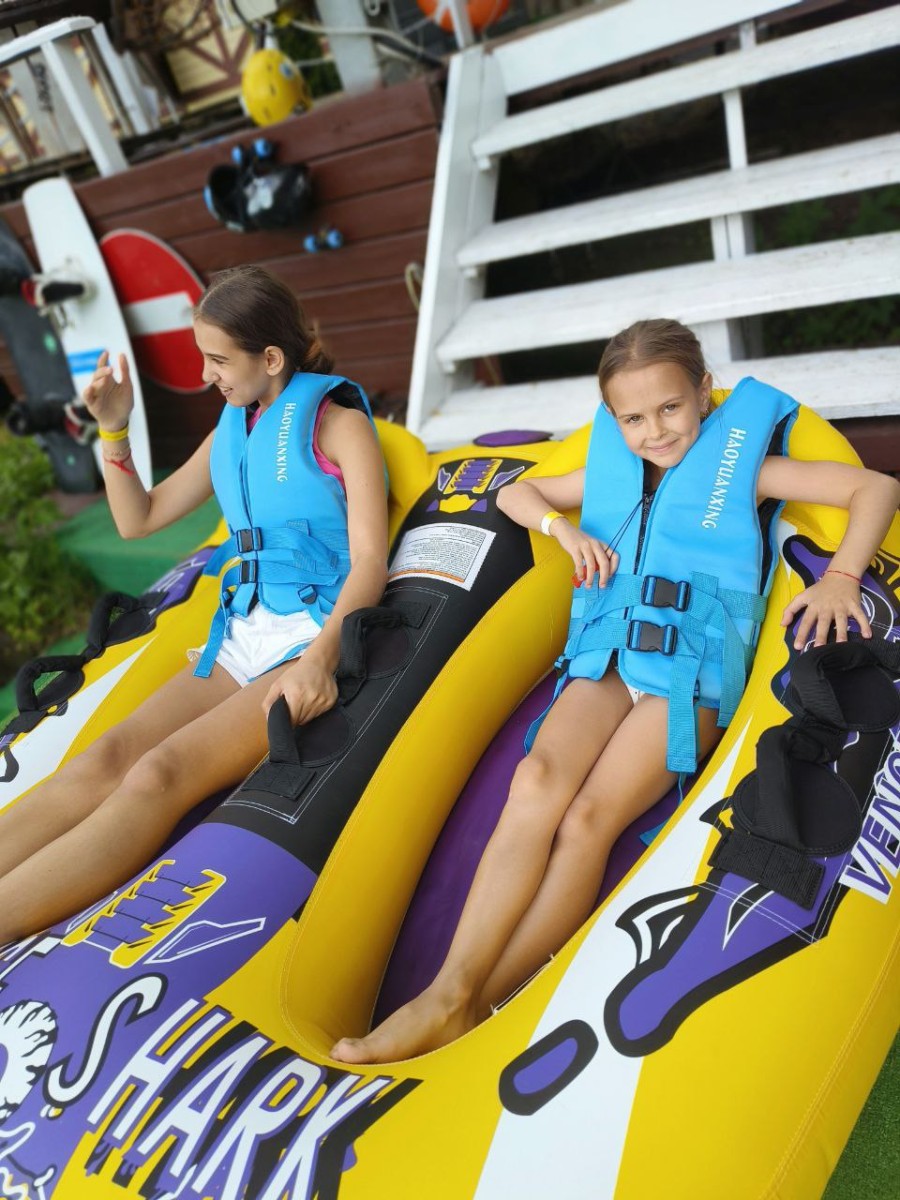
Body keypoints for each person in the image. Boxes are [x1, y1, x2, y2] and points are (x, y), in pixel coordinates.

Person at [331, 317, 900, 1065]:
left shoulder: (745, 465)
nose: (654, 431)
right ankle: (450, 993)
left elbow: (876, 486)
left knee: (586, 821)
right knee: (535, 781)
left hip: (689, 677)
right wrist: (563, 531)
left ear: (704, 392)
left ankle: (471, 1000)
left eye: (670, 407)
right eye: (632, 418)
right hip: (612, 657)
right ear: (612, 418)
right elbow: (518, 493)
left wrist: (841, 577)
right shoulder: (608, 465)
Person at [0, 265, 388, 942]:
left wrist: (320, 660)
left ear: (271, 359)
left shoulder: (340, 426)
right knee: (103, 757)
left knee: (157, 773)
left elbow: (370, 563)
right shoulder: (234, 427)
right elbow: (139, 519)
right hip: (242, 632)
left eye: (218, 360)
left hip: (311, 634)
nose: (208, 375)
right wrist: (113, 428)